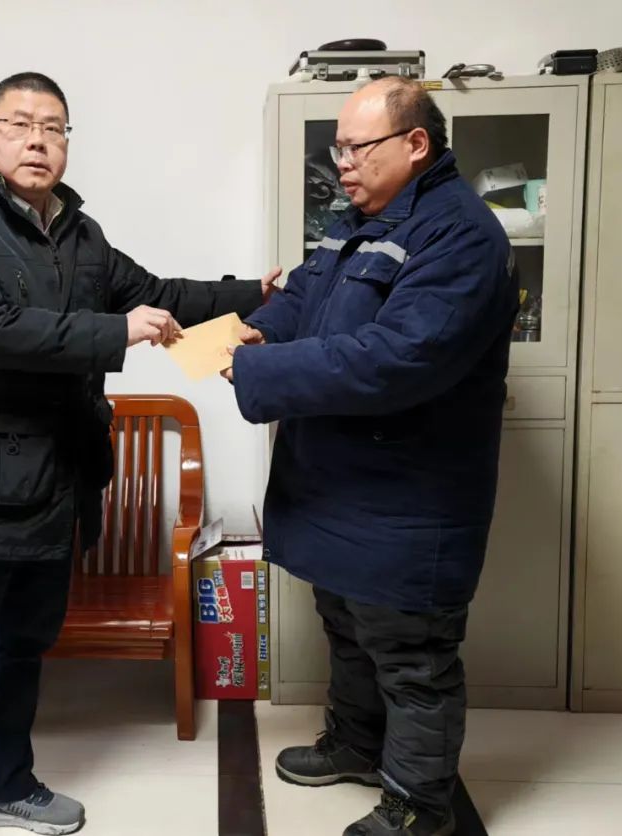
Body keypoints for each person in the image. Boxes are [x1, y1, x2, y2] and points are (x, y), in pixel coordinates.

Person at [0, 71, 279, 836]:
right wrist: (117, 331)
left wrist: (256, 294)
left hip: (58, 482)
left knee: (22, 647)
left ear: (68, 143)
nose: (38, 141)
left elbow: (157, 293)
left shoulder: (80, 233)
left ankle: (2, 787)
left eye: (54, 128)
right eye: (20, 125)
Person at [223, 77, 518, 836]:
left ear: (416, 144)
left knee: (412, 655)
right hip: (339, 483)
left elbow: (395, 358)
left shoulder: (461, 235)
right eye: (339, 149)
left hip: (410, 493)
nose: (344, 163)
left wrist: (259, 369)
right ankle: (357, 744)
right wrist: (260, 330)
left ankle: (420, 805)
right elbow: (306, 296)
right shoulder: (357, 218)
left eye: (358, 148)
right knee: (348, 626)